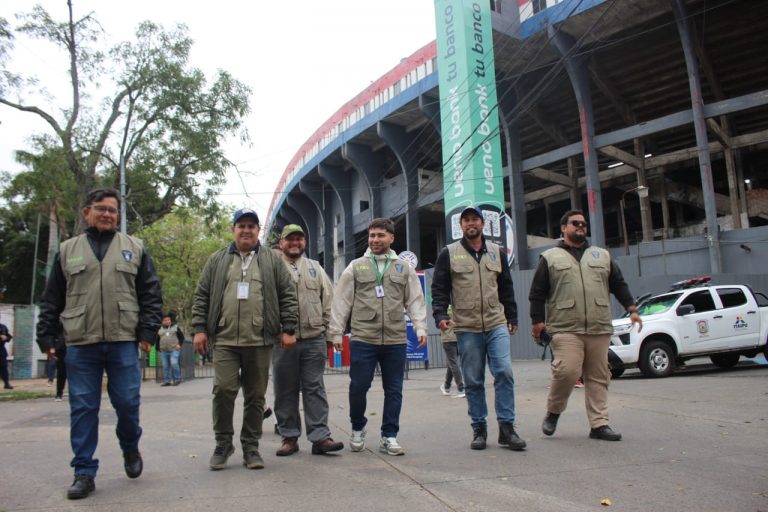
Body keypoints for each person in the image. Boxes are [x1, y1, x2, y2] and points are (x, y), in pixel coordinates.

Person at [36, 187, 163, 500]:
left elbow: (150, 294)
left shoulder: (134, 247)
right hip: (80, 342)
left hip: (123, 341)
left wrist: (148, 333)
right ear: (86, 213)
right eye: (101, 208)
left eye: (112, 210)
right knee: (83, 408)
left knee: (128, 404)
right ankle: (83, 471)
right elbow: (52, 298)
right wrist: (47, 335)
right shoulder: (67, 250)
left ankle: (130, 447)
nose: (107, 214)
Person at [192, 208, 298, 471]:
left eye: (252, 226)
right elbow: (202, 295)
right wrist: (199, 328)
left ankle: (251, 447)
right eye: (242, 225)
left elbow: (287, 294)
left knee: (255, 397)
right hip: (225, 339)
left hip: (260, 339)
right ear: (233, 230)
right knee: (224, 390)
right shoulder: (217, 260)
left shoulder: (272, 261)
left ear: (258, 230)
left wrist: (289, 328)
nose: (246, 230)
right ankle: (223, 443)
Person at [528, 210, 642, 442]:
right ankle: (554, 411)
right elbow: (537, 293)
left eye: (583, 224)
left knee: (599, 376)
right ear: (563, 228)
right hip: (565, 326)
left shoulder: (602, 256)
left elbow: (618, 284)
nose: (581, 226)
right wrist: (537, 321)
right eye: (575, 223)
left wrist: (632, 308)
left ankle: (599, 424)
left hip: (598, 326)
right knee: (567, 371)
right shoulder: (550, 257)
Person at [328, 218, 427, 456]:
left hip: (395, 339)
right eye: (372, 235)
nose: (375, 240)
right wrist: (335, 333)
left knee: (394, 390)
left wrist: (420, 327)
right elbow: (341, 301)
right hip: (363, 337)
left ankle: (389, 436)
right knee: (358, 387)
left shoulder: (404, 268)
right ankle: (358, 428)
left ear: (391, 238)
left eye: (380, 235)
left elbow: (415, 299)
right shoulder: (355, 266)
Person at [431, 205, 526, 452]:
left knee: (504, 371)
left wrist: (512, 315)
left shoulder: (497, 252)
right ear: (461, 226)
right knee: (473, 379)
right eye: (466, 221)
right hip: (467, 326)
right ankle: (479, 428)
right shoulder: (448, 253)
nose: (471, 224)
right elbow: (439, 289)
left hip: (496, 322)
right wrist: (440, 314)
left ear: (483, 224)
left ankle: (507, 428)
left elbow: (506, 287)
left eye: (475, 219)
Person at [273, 224, 343, 457]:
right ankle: (289, 437)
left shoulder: (315, 267)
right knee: (285, 390)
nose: (294, 243)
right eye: (289, 239)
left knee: (315, 388)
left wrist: (332, 335)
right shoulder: (272, 268)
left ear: (304, 242)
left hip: (314, 338)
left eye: (299, 239)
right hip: (282, 341)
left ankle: (320, 437)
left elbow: (329, 302)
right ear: (281, 243)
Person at [438, 308, 465, 398]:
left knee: (453, 363)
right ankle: (446, 386)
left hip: (448, 338)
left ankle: (461, 388)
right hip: (458, 337)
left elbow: (438, 321)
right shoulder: (456, 304)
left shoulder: (443, 309)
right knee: (452, 363)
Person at [155, 313, 185, 386]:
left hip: (174, 349)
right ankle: (168, 381)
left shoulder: (175, 327)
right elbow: (157, 339)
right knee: (165, 366)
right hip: (163, 351)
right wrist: (157, 348)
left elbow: (181, 337)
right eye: (165, 320)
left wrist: (179, 344)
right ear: (162, 321)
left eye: (168, 320)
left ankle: (177, 379)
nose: (167, 321)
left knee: (174, 363)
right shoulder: (159, 329)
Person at [53, 324, 67, 401]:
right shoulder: (59, 320)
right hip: (61, 348)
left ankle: (74, 392)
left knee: (75, 372)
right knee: (61, 372)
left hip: (72, 346)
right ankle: (59, 393)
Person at [0, 318, 13, 390]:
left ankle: (6, 383)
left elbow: (9, 336)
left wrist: (6, 338)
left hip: (1, 350)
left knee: (4, 367)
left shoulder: (3, 327)